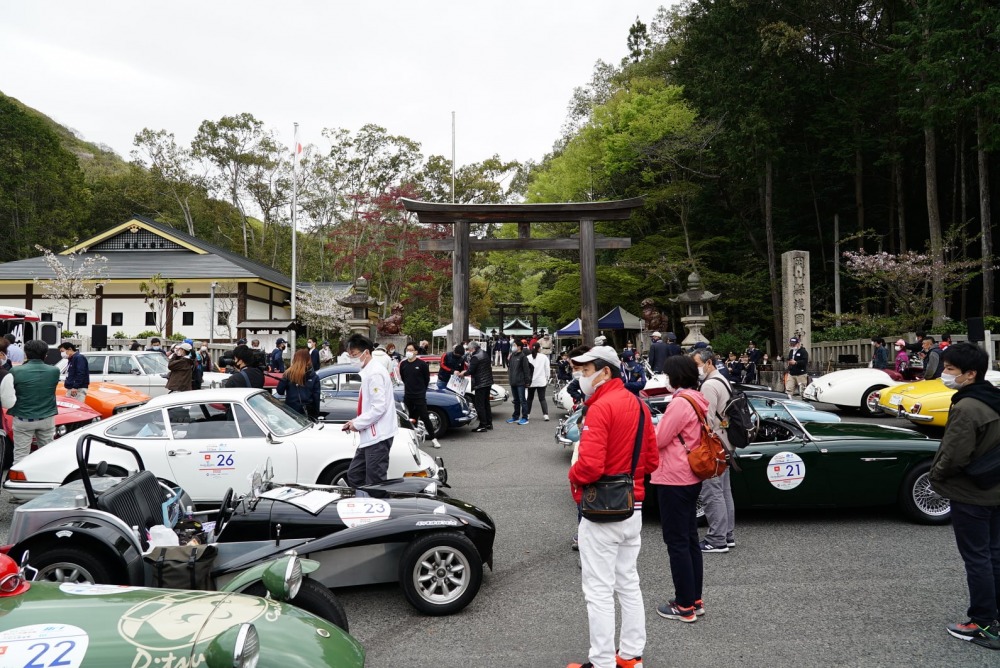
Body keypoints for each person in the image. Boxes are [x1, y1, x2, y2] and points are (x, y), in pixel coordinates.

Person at [566, 345, 658, 668]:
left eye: (586, 370)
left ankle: (602, 661)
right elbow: (653, 460)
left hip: (602, 510)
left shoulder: (601, 408)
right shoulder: (640, 404)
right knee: (628, 582)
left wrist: (573, 475)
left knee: (598, 590)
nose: (581, 376)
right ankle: (631, 655)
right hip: (634, 505)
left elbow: (589, 467)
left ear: (606, 372)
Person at [928, 343, 1000, 650]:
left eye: (950, 370)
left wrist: (936, 476)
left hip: (971, 494)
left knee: (977, 558)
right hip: (995, 488)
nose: (945, 374)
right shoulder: (994, 398)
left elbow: (954, 455)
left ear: (970, 374)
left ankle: (983, 623)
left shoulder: (967, 407)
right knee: (994, 553)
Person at [652, 354, 708, 624]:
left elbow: (660, 439)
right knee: (689, 539)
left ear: (674, 376)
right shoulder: (696, 398)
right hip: (691, 475)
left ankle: (684, 604)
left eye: (665, 374)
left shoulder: (678, 404)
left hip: (673, 476)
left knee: (676, 542)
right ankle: (694, 599)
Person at [691, 348, 736, 554]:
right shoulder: (722, 379)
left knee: (712, 492)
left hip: (714, 445)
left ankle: (717, 539)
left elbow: (705, 420)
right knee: (724, 491)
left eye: (698, 363)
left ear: (709, 363)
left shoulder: (709, 385)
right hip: (726, 442)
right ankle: (727, 535)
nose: (696, 368)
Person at [341, 334, 398, 486]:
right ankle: (363, 503)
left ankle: (376, 505)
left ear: (366, 353)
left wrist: (357, 424)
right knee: (355, 474)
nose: (352, 359)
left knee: (374, 481)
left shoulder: (374, 373)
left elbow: (379, 407)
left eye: (354, 355)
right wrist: (356, 422)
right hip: (371, 435)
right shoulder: (370, 371)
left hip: (377, 436)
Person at [1, 340, 59, 466]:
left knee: (21, 455)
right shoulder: (54, 371)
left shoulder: (16, 371)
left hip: (23, 418)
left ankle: (19, 482)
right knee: (47, 452)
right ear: (45, 355)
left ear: (26, 354)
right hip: (47, 417)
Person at [398, 343, 442, 449]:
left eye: (411, 350)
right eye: (407, 349)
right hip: (407, 395)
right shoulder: (403, 364)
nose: (408, 352)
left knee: (424, 416)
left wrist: (421, 390)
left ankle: (433, 438)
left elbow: (426, 379)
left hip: (419, 395)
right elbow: (404, 378)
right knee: (409, 418)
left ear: (416, 352)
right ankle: (411, 439)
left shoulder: (422, 364)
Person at [277, 349, 321, 418]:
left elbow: (280, 390)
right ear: (309, 359)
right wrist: (315, 415)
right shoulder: (313, 376)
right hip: (307, 412)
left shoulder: (288, 374)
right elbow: (316, 398)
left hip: (290, 411)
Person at [463, 341, 494, 433]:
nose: (469, 351)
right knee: (486, 404)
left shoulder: (475, 357)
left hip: (480, 383)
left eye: (469, 349)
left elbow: (471, 370)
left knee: (479, 405)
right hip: (488, 381)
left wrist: (463, 373)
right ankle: (489, 423)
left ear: (473, 348)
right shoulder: (484, 353)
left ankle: (483, 425)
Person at [507, 340, 532, 425]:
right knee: (516, 400)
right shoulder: (512, 355)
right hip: (513, 381)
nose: (512, 346)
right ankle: (515, 416)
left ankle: (525, 417)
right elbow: (510, 368)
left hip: (520, 382)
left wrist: (527, 381)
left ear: (519, 346)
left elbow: (526, 370)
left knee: (522, 400)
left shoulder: (523, 357)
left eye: (514, 345)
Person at [526, 342, 551, 422]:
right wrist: (547, 378)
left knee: (529, 399)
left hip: (531, 381)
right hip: (541, 380)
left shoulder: (528, 357)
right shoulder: (544, 357)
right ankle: (545, 415)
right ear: (539, 348)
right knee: (542, 398)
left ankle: (527, 414)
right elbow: (547, 368)